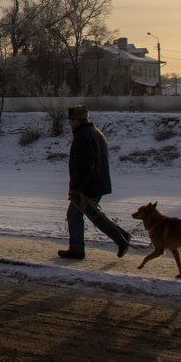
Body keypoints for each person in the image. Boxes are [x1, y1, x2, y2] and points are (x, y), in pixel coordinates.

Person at [57, 105, 132, 260]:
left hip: (88, 186)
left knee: (75, 215)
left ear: (76, 119)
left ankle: (78, 250)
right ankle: (122, 236)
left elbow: (85, 165)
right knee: (93, 214)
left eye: (71, 120)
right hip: (97, 183)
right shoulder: (95, 132)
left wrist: (76, 188)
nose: (70, 123)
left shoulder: (82, 136)